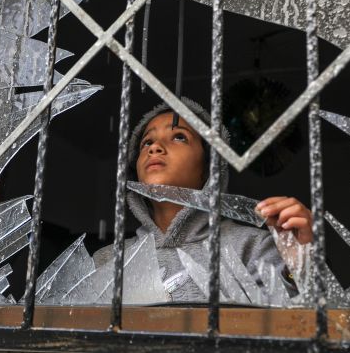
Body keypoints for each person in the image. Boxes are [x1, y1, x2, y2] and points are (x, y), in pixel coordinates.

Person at [93, 98, 313, 302]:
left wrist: (300, 265)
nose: (154, 147)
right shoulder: (108, 260)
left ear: (209, 169)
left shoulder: (252, 246)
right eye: (146, 142)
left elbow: (296, 324)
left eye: (179, 136)